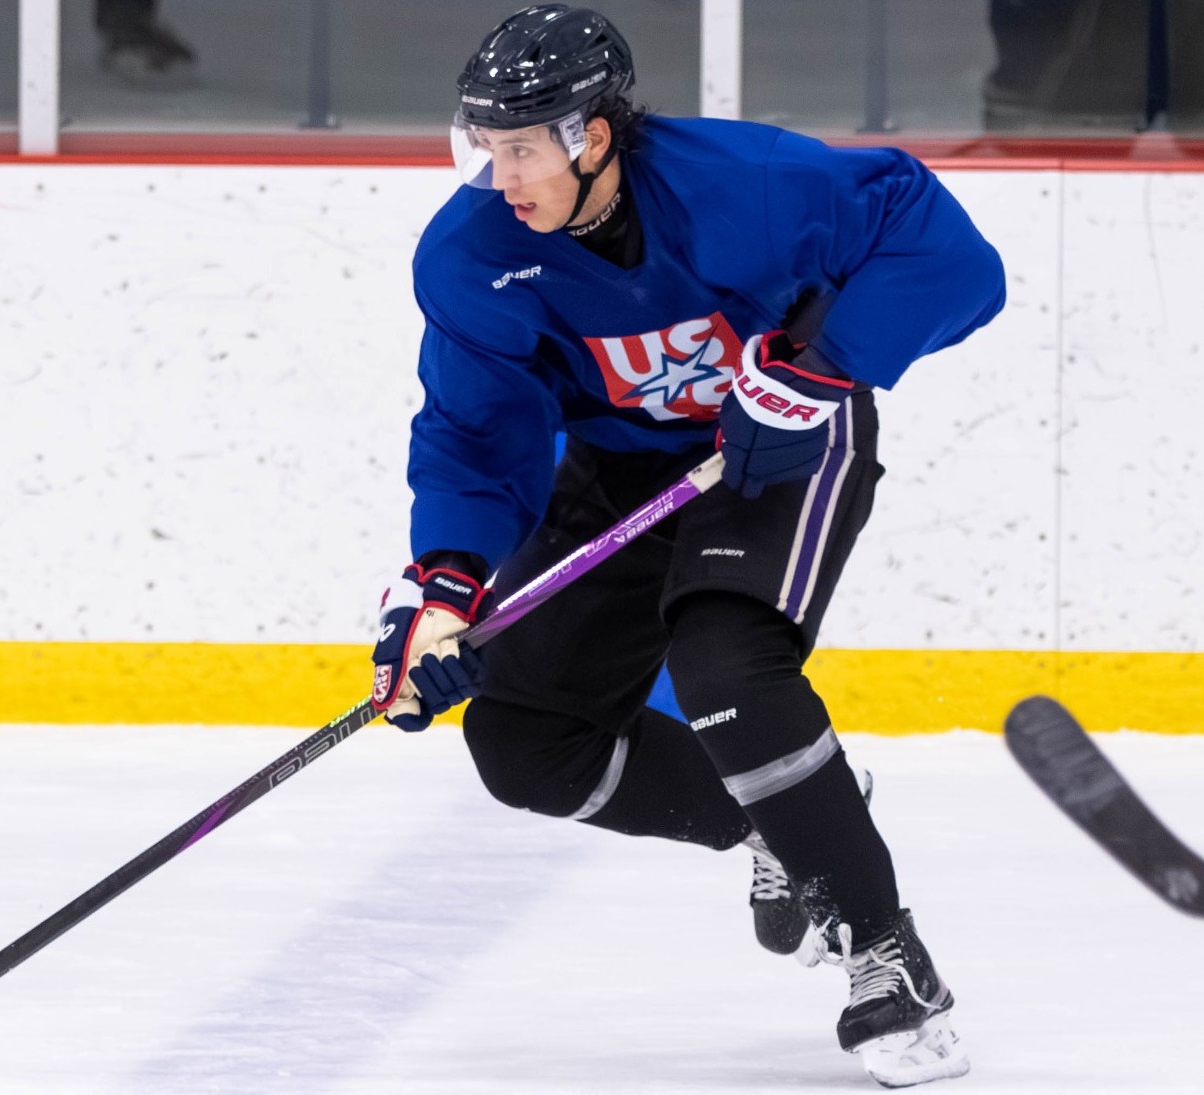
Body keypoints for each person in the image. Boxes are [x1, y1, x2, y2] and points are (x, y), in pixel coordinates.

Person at [367, 5, 1004, 1089]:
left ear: (595, 135)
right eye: (487, 145)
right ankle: (785, 832)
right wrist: (444, 587)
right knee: (524, 740)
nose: (500, 173)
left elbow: (952, 258)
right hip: (624, 466)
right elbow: (475, 434)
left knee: (725, 670)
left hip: (779, 440)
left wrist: (819, 367)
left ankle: (886, 959)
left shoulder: (742, 184)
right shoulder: (472, 256)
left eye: (522, 147)